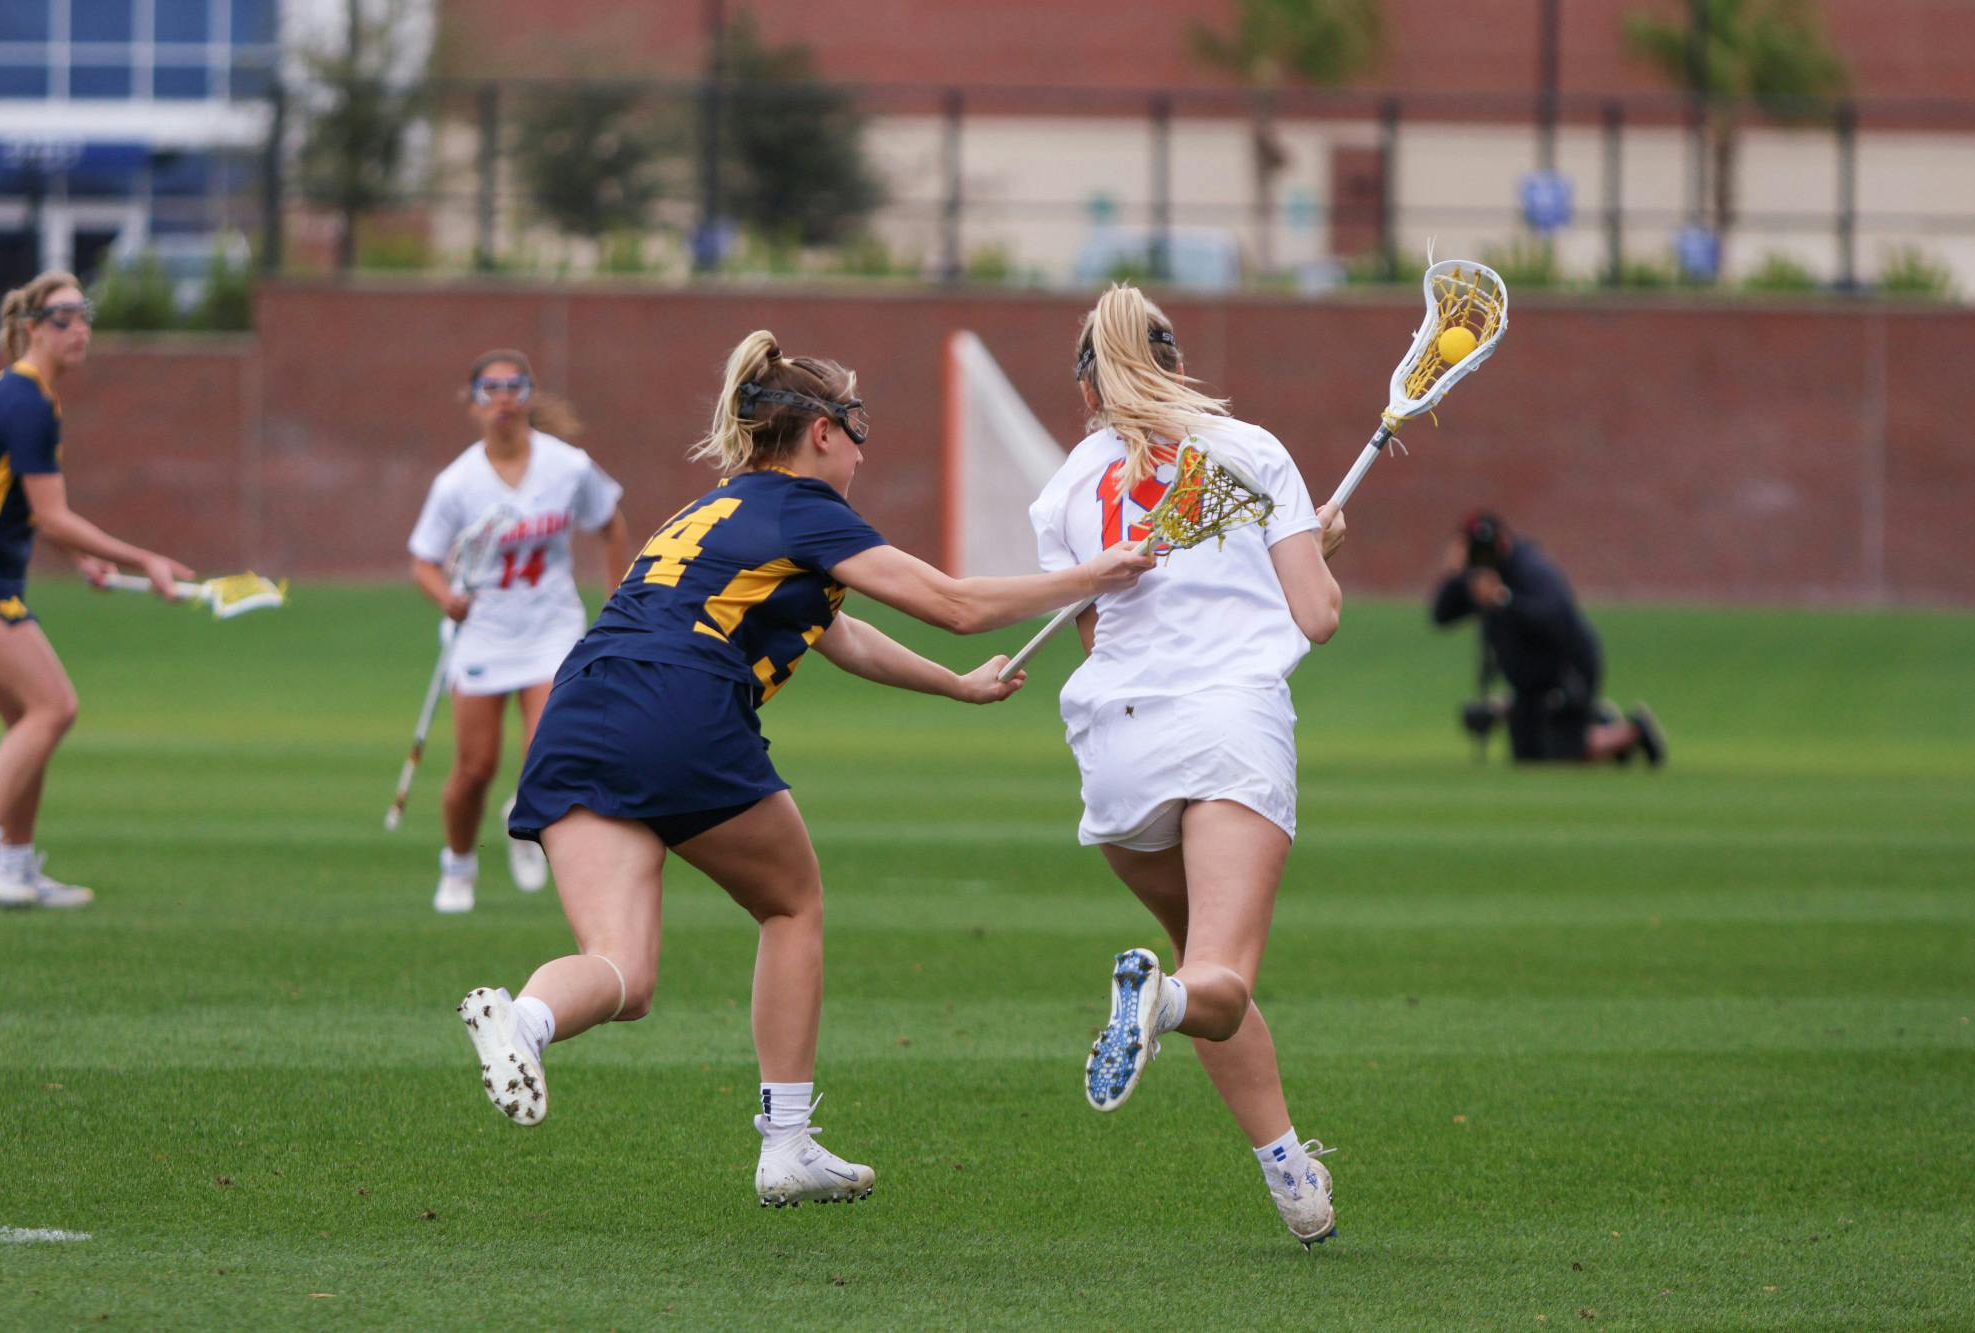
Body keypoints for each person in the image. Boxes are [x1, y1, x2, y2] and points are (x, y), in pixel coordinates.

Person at [455, 330, 1154, 1209]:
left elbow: (838, 633)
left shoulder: (713, 511)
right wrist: (1094, 574)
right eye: (854, 425)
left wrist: (954, 689)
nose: (863, 444)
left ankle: (524, 1019)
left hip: (578, 708)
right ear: (819, 432)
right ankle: (785, 1141)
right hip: (678, 704)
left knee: (623, 974)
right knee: (793, 903)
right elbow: (954, 602)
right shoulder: (804, 507)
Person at [1027, 284, 1349, 1249]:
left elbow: (1097, 635)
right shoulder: (1253, 448)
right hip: (1227, 730)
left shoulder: (1062, 490)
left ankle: (1291, 1173)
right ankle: (1154, 997)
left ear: (1086, 386)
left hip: (1117, 746)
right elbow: (1318, 615)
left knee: (1210, 970)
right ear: (1174, 361)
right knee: (1207, 982)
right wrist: (1320, 547)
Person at [0, 271, 194, 910]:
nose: (80, 329)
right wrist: (145, 559)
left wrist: (79, 561)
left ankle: (15, 863)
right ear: (31, 328)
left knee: (29, 716)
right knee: (55, 707)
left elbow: (18, 504)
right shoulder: (27, 403)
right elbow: (52, 514)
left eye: (84, 314)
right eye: (63, 317)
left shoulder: (25, 395)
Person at [407, 350, 632, 913]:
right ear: (474, 403)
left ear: (529, 395)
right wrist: (447, 599)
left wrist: (615, 602)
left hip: (551, 627)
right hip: (484, 634)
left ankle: (521, 814)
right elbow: (422, 561)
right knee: (474, 767)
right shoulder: (457, 483)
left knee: (548, 754)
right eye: (490, 389)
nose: (503, 398)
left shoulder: (568, 466)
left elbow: (610, 524)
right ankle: (458, 863)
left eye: (514, 386)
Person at [1430, 511, 1664, 766]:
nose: (1484, 555)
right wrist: (1456, 576)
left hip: (1567, 673)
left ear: (1504, 541)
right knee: (1527, 759)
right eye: (1476, 548)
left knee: (1559, 757)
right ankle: (1596, 722)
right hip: (1527, 686)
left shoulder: (1531, 569)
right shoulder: (1476, 579)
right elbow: (1441, 616)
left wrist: (1503, 599)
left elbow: (1554, 617)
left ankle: (1632, 732)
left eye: (1488, 547)